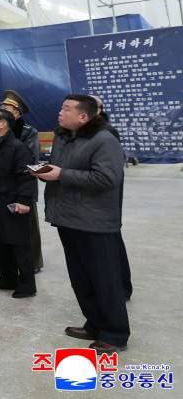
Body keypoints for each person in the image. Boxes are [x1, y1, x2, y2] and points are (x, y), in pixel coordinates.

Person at [37, 95, 129, 352]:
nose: (60, 112)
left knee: (104, 279)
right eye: (61, 107)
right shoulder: (64, 137)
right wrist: (46, 172)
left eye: (66, 109)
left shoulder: (104, 140)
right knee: (82, 278)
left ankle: (115, 334)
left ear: (83, 116)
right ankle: (95, 324)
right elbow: (60, 169)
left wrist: (62, 174)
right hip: (68, 218)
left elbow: (107, 178)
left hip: (94, 222)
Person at [0, 109, 37, 299]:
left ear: (3, 124)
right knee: (0, 242)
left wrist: (24, 201)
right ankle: (7, 278)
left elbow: (27, 176)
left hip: (12, 203)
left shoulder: (17, 148)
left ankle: (27, 284)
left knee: (19, 245)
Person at [91, 95, 132, 301]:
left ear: (99, 110)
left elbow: (110, 175)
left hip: (106, 200)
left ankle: (122, 288)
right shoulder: (84, 133)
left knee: (112, 243)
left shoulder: (106, 133)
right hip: (91, 202)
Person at [0, 90, 44, 273]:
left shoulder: (28, 132)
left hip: (22, 184)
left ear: (17, 112)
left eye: (6, 108)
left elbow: (30, 160)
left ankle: (33, 262)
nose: (2, 110)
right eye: (1, 107)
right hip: (1, 187)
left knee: (28, 226)